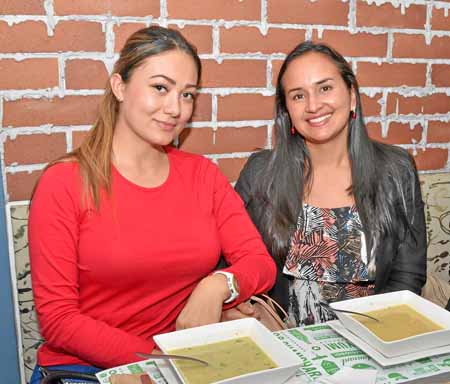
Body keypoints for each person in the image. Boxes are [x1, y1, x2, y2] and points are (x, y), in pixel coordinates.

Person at [29, 26, 276, 383]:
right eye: (160, 87)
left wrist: (217, 284)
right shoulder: (64, 183)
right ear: (119, 86)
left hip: (182, 362)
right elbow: (58, 320)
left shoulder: (202, 175)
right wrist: (158, 359)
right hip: (84, 369)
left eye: (188, 95)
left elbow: (260, 263)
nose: (175, 109)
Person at [232, 41, 427, 327]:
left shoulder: (396, 169)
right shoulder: (262, 172)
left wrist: (373, 337)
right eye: (298, 96)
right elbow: (231, 259)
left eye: (325, 88)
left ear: (351, 96)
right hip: (285, 342)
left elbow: (407, 274)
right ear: (287, 112)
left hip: (374, 337)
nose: (313, 105)